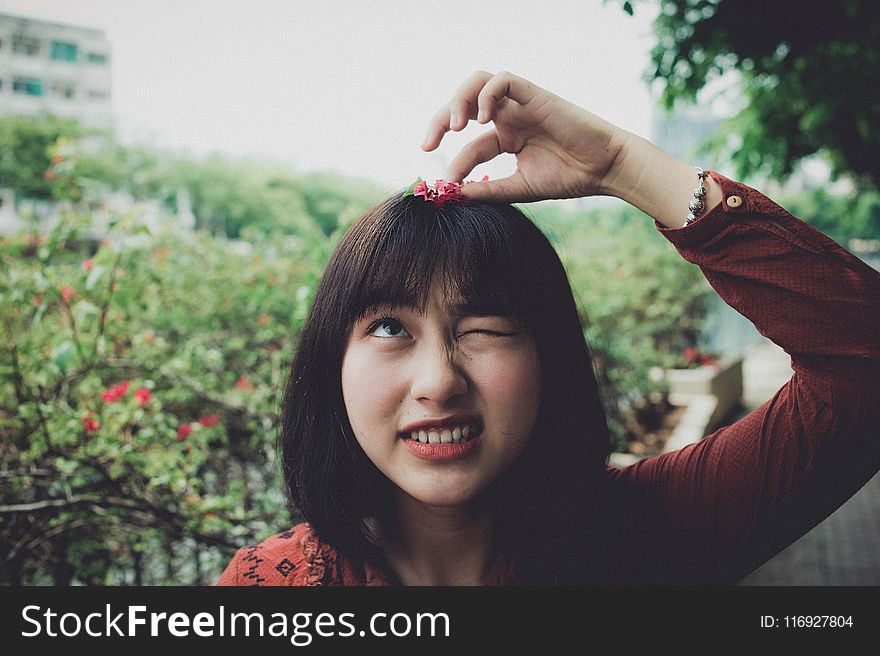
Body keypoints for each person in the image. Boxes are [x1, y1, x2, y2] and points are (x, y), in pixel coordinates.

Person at [218, 71, 880, 586]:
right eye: (390, 327)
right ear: (332, 365)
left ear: (550, 356)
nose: (438, 382)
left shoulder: (647, 537)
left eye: (484, 326)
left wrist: (620, 164)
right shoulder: (276, 589)